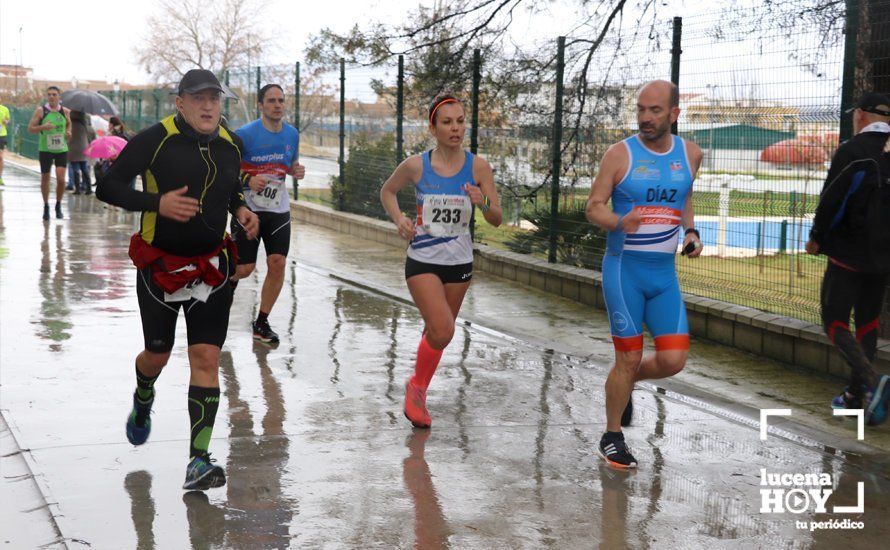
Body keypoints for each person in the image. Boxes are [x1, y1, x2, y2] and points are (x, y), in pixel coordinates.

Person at [96, 69, 260, 490]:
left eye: (214, 99)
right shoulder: (155, 139)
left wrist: (241, 210)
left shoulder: (230, 144)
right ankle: (143, 396)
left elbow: (230, 188)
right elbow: (107, 187)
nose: (208, 107)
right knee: (158, 355)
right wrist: (157, 203)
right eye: (198, 98)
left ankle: (198, 460)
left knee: (206, 358)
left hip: (210, 268)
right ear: (180, 102)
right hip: (160, 269)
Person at [585, 80, 703, 469]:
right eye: (640, 109)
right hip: (624, 271)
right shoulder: (620, 155)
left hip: (664, 274)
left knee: (673, 360)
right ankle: (611, 436)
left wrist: (691, 231)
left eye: (654, 110)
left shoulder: (691, 155)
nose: (645, 118)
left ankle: (626, 382)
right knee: (629, 355)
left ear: (674, 114)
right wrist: (620, 220)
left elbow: (684, 194)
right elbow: (593, 207)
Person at [380, 93, 502, 429]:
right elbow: (387, 191)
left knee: (439, 334)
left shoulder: (477, 167)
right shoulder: (416, 165)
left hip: (459, 263)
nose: (456, 128)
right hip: (422, 259)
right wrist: (399, 219)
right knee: (443, 328)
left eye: (461, 121)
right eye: (447, 122)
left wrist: (484, 199)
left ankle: (417, 385)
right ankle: (416, 390)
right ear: (433, 127)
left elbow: (497, 218)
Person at [806, 91, 890, 426]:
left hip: (849, 253)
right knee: (868, 322)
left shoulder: (852, 151)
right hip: (884, 258)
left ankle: (874, 381)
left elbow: (832, 201)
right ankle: (856, 398)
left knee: (835, 322)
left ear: (859, 116)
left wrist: (817, 238)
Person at [229, 84, 305, 343]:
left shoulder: (292, 134)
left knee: (278, 263)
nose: (277, 105)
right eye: (271, 101)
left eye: (281, 100)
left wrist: (296, 170)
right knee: (244, 268)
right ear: (261, 105)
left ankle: (261, 322)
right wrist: (249, 178)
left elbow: (290, 165)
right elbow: (228, 170)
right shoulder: (245, 134)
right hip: (248, 209)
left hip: (278, 209)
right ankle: (220, 299)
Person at [28, 86, 72, 220]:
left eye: (54, 94)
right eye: (49, 95)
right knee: (45, 178)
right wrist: (43, 127)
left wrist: (69, 133)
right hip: (45, 149)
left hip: (61, 149)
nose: (51, 97)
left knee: (61, 179)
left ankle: (58, 205)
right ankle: (46, 206)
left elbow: (69, 125)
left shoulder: (65, 111)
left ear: (59, 97)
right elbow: (30, 129)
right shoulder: (41, 111)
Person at [67, 110, 96, 195]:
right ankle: (89, 189)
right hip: (83, 147)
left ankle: (78, 189)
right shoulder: (85, 125)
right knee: (84, 167)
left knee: (75, 167)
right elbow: (91, 136)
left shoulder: (70, 123)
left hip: (73, 148)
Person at [0, 99, 9, 185]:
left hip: (1, 135)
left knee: (1, 157)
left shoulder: (5, 109)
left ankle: (0, 178)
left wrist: (6, 122)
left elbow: (8, 121)